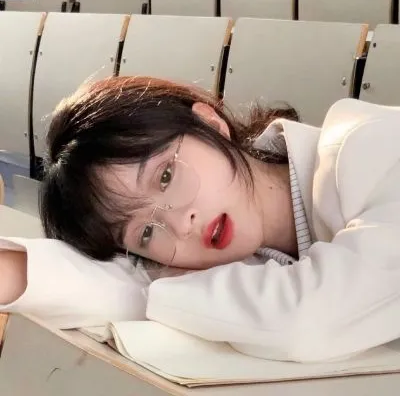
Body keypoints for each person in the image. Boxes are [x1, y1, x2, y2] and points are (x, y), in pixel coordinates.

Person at [1, 75, 400, 363]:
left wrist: (159, 289)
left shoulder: (373, 146)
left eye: (166, 177)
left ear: (209, 123)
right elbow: (127, 282)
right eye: (145, 233)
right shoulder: (243, 259)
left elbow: (308, 321)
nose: (181, 224)